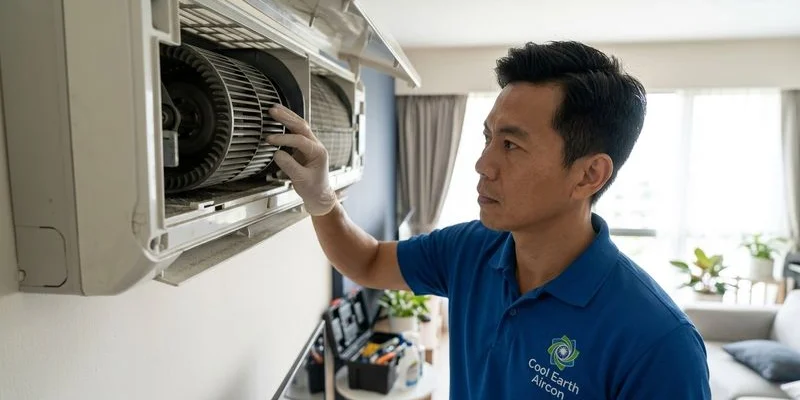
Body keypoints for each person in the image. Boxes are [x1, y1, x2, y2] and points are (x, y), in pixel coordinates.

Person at [265, 41, 711, 399]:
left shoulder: (658, 343)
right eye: (488, 138)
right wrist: (322, 200)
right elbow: (366, 263)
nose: (482, 164)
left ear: (588, 174)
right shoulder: (473, 250)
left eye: (511, 146)